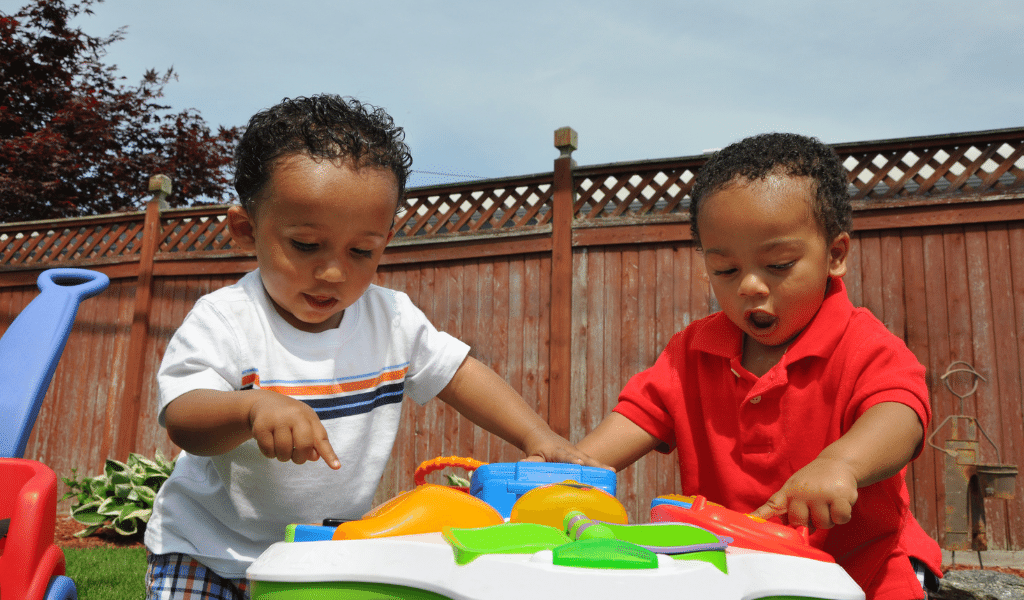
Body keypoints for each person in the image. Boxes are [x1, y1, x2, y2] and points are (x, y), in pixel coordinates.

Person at [144, 94, 601, 599]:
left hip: (317, 554)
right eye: (306, 245)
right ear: (245, 230)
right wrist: (250, 406)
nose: (334, 272)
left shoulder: (392, 318)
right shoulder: (227, 318)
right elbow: (184, 418)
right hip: (207, 549)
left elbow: (460, 373)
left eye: (361, 251)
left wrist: (535, 434)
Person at [577, 132, 942, 600]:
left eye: (779, 264)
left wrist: (841, 463)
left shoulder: (862, 343)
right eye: (725, 271)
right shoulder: (692, 351)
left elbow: (901, 413)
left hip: (865, 573)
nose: (749, 285)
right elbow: (635, 418)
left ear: (835, 255)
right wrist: (574, 470)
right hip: (740, 574)